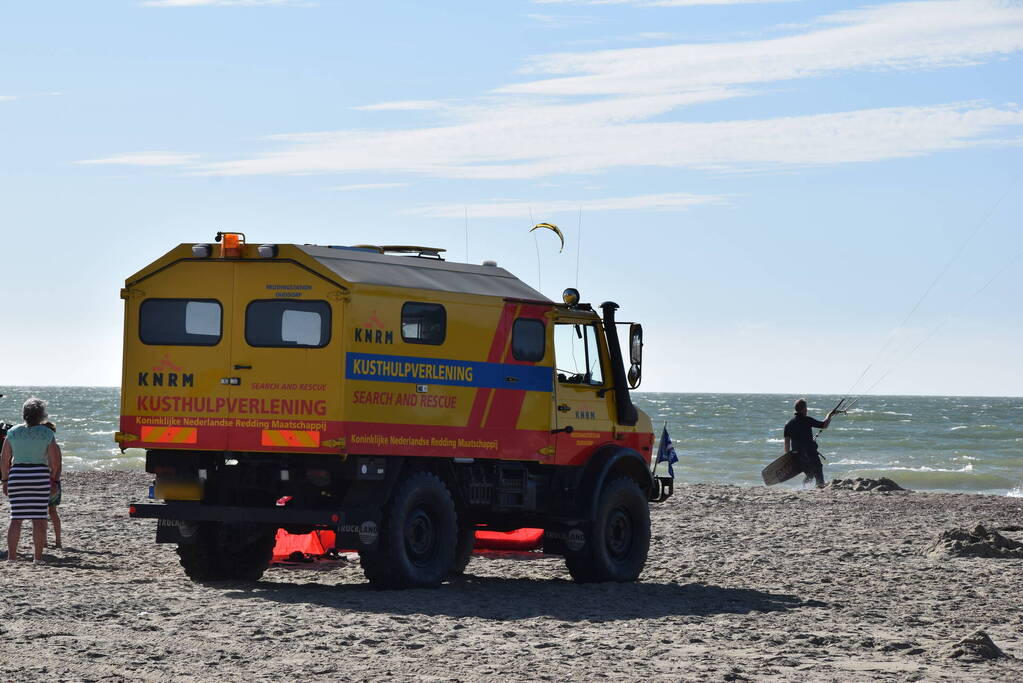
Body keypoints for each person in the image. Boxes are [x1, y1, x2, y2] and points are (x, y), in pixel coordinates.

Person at [1, 398, 62, 562]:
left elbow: (5, 459)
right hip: (39, 476)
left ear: (24, 414)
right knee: (39, 519)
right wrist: (55, 480)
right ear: (42, 415)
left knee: (16, 518)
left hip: (17, 475)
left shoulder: (13, 432)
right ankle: (37, 557)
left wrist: (5, 480)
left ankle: (12, 557)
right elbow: (55, 460)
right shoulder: (47, 433)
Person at [783, 398, 841, 488]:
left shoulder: (788, 424)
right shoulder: (807, 420)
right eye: (806, 408)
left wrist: (788, 458)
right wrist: (829, 415)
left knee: (810, 474)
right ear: (803, 409)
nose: (807, 410)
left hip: (798, 455)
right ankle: (819, 485)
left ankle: (804, 488)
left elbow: (786, 444)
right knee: (818, 469)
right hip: (810, 452)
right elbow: (824, 425)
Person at [44, 421, 62, 548]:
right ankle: (49, 540)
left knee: (50, 512)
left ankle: (57, 540)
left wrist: (55, 481)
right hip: (48, 480)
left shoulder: (53, 446)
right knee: (49, 512)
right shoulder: (51, 446)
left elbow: (59, 465)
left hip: (50, 481)